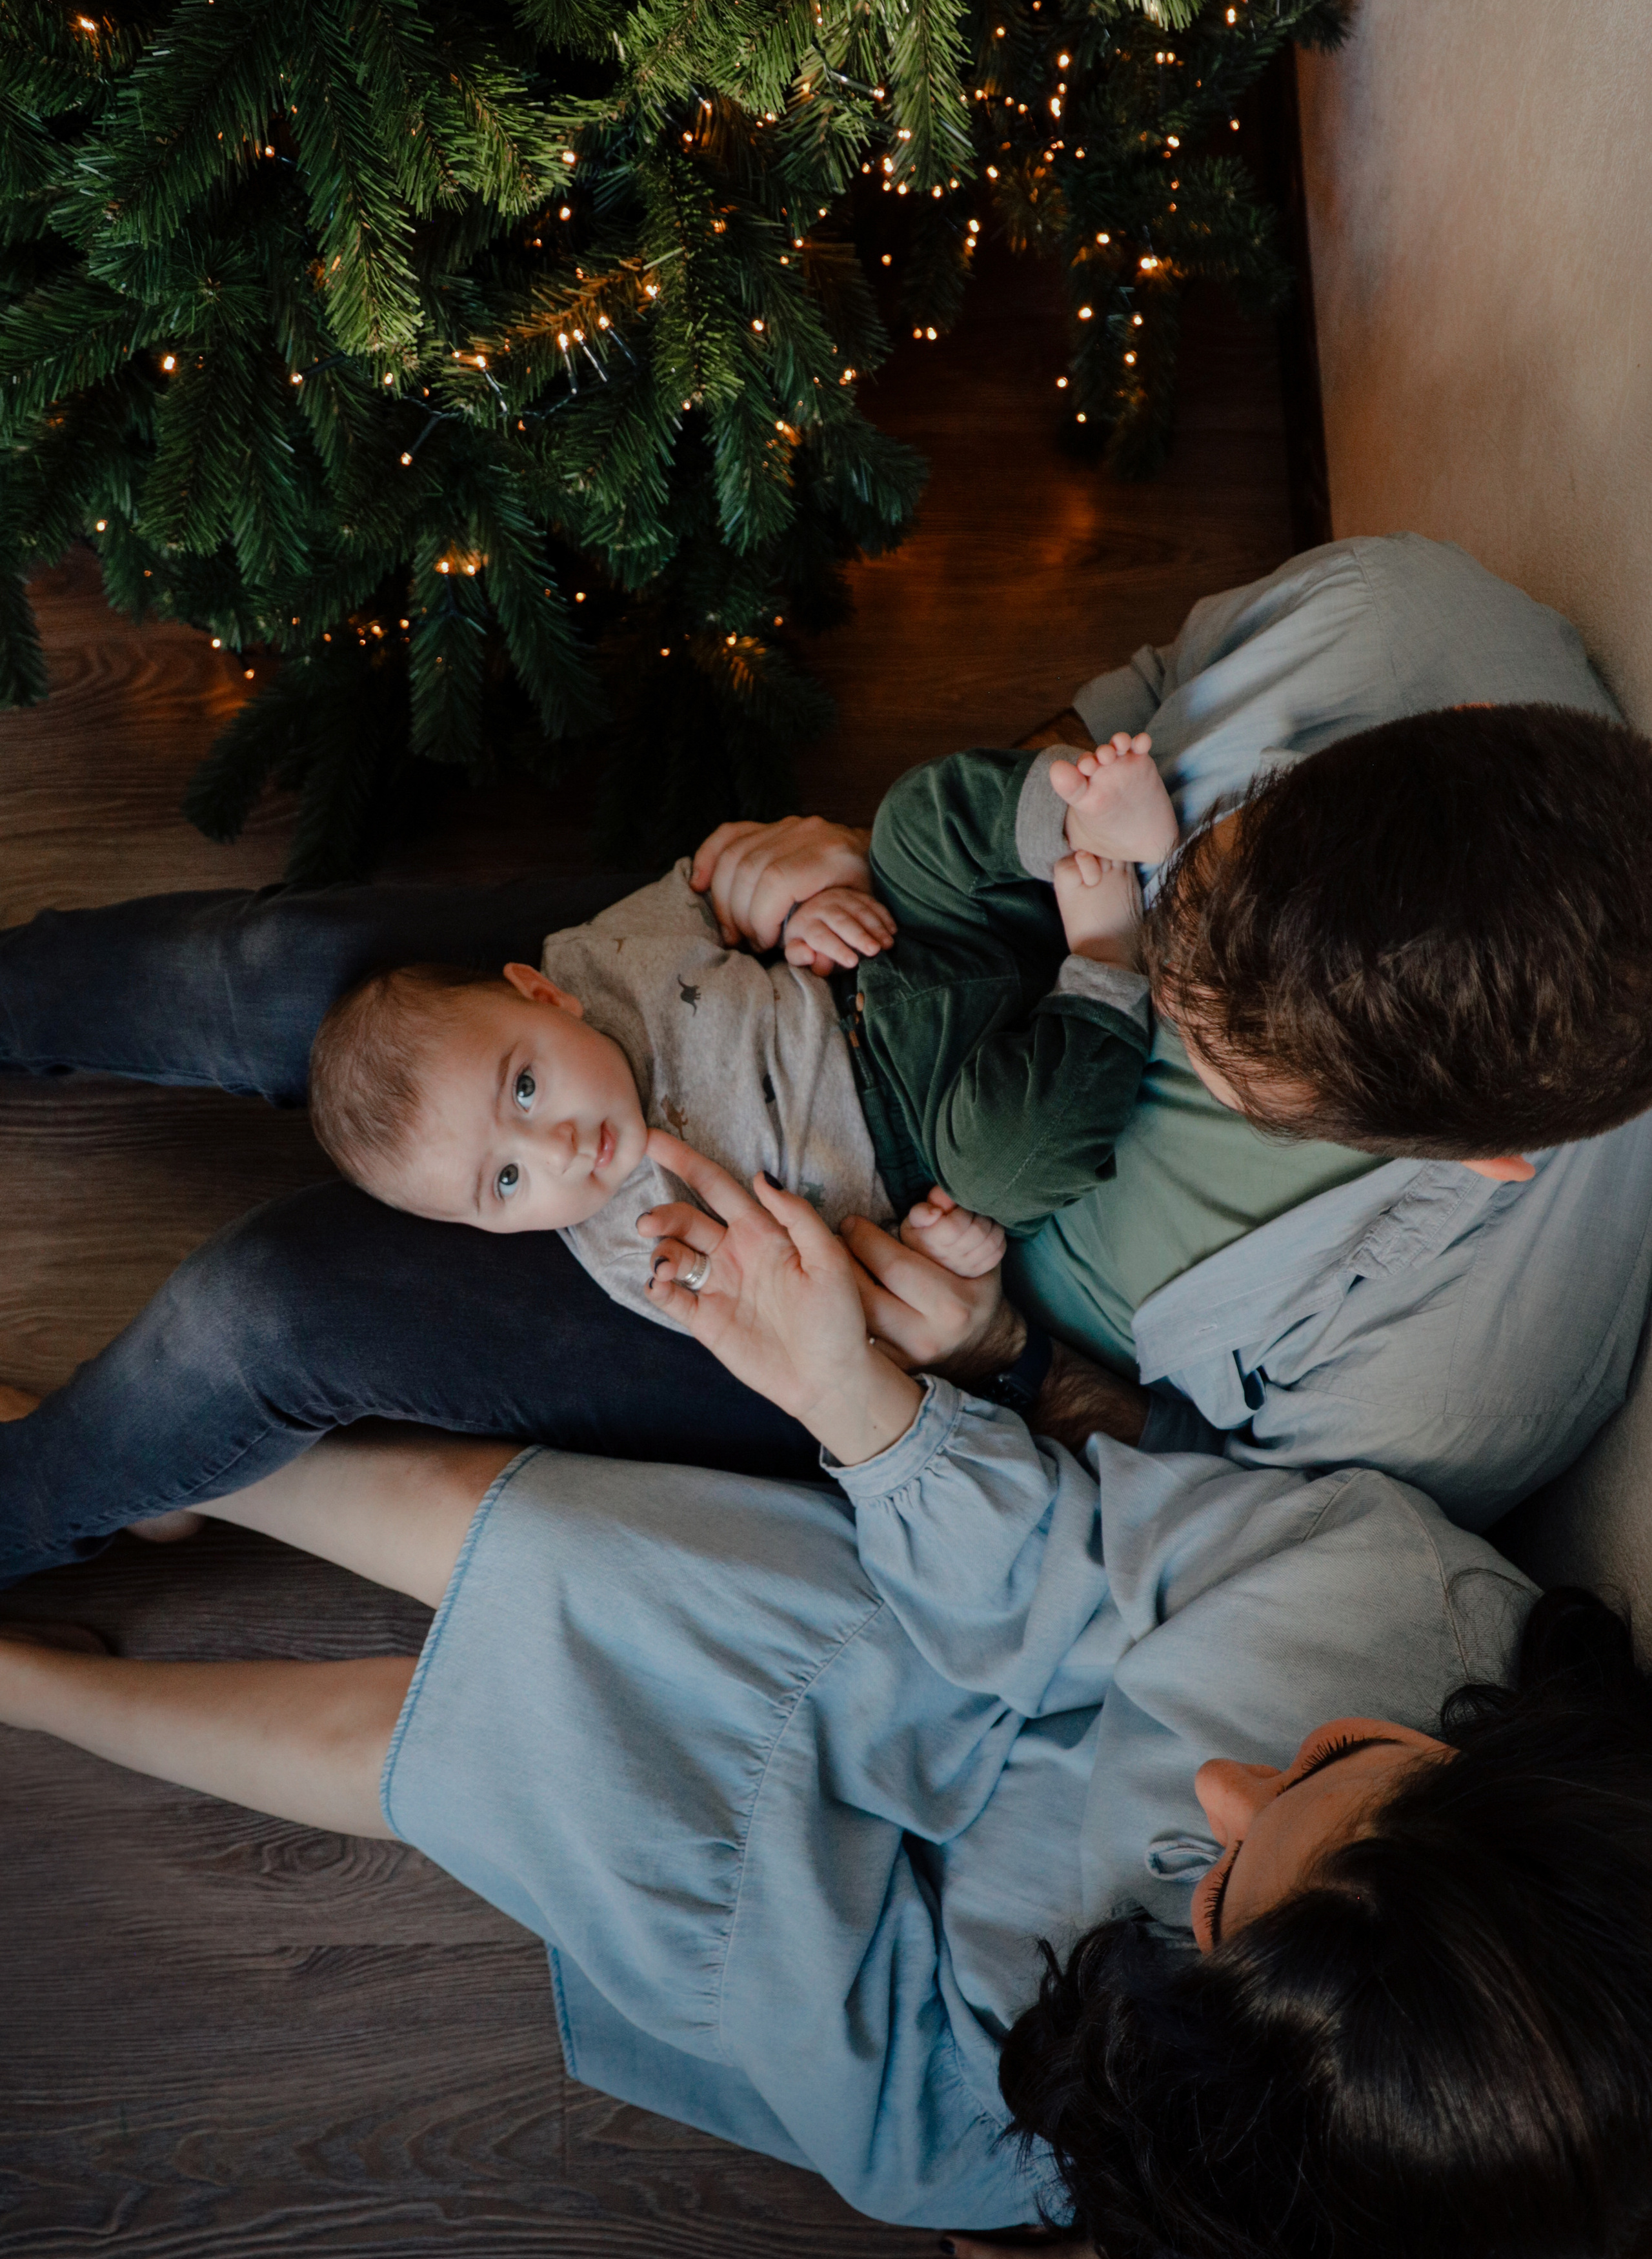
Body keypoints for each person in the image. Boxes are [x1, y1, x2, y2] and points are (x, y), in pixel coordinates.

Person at [6, 1146, 1651, 2259]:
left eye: (1222, 1895)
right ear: (1470, 1756)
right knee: (550, 1547)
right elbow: (1060, 1570)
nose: (1221, 1784)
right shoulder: (1388, 1598)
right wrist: (855, 1407)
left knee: (449, 1758)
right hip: (965, 1677)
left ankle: (40, 1684)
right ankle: (158, 1472)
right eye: (1315, 1768)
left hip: (960, 2034)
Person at [2, 533, 1650, 1586]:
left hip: (861, 1259)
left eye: (1220, 1067)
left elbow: (1179, 1544)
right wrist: (837, 859)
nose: (1138, 947)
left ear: (1467, 1158)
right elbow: (1113, 719)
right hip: (843, 971)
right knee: (290, 979)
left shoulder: (1451, 1386)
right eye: (1196, 873)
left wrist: (996, 1362)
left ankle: (33, 1509)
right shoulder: (1396, 625)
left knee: (269, 1306)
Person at [300, 737, 1180, 1328]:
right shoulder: (635, 1251)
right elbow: (811, 1310)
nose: (558, 1147)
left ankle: (1088, 818)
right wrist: (927, 1252)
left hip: (883, 956)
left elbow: (735, 897)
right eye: (505, 1179)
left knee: (915, 820)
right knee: (1008, 1159)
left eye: (524, 1089)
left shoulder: (599, 958)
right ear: (491, 1232)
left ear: (541, 995)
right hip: (928, 1135)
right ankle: (1108, 955)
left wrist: (810, 905)